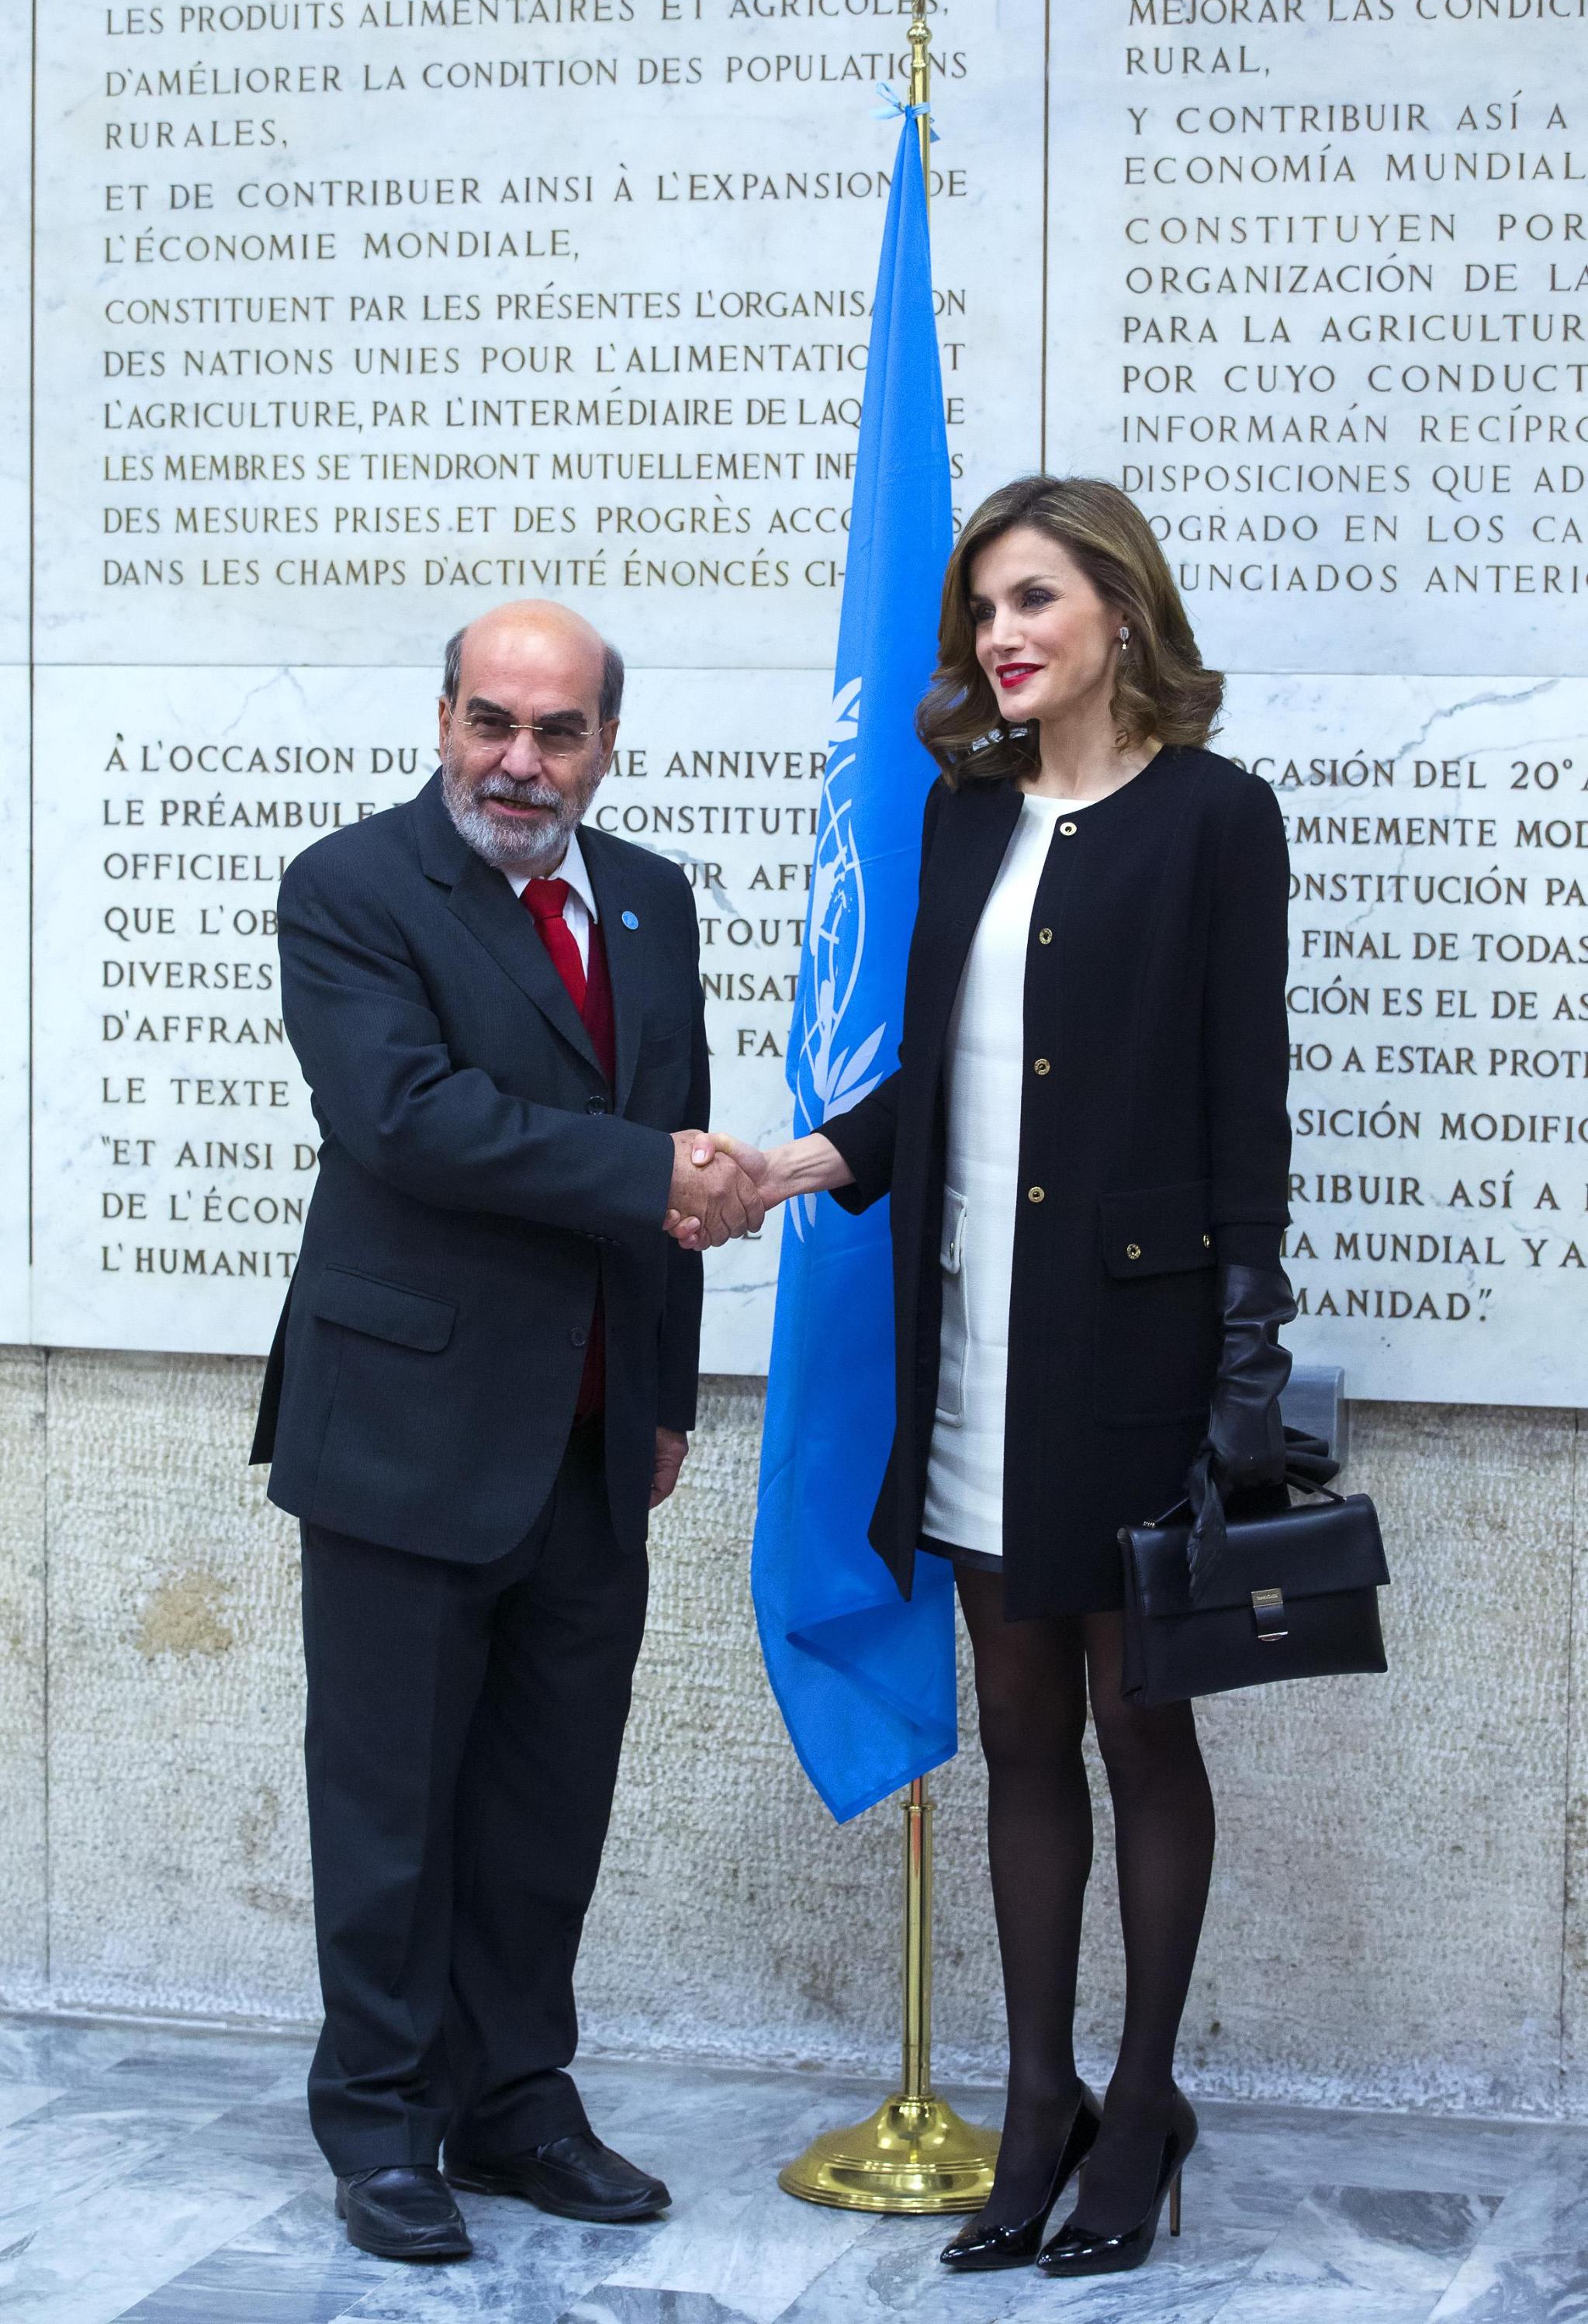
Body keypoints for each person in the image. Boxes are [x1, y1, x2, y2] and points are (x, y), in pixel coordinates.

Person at [679, 477, 1294, 2277]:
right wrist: (788, 1168)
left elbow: (1243, 1109)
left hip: (1133, 1356)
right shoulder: (965, 818)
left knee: (1136, 1724)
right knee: (1018, 1726)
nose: (998, 636)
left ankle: (1143, 2099)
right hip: (973, 1353)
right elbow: (935, 1079)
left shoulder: (1213, 818)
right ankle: (1038, 2103)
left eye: (1033, 599)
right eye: (980, 610)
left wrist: (1241, 1370)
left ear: (1121, 609)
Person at [251, 600, 765, 2263]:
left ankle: (516, 2102)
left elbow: (672, 1128)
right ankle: (383, 2123)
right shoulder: (352, 887)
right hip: (406, 1431)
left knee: (549, 1804)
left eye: (557, 731)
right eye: (492, 722)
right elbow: (407, 1118)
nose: (519, 762)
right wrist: (651, 1173)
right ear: (445, 720)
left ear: (608, 744)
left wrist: (666, 1396)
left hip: (594, 1441)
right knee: (391, 1807)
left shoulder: (652, 897)